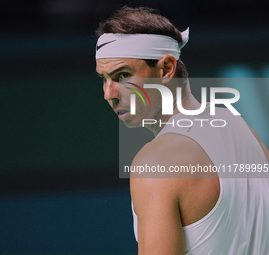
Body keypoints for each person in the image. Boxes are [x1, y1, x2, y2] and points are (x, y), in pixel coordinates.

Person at [95, 6, 269, 254]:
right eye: (104, 78)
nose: (109, 94)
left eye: (123, 75)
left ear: (166, 69)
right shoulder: (239, 125)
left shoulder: (155, 163)